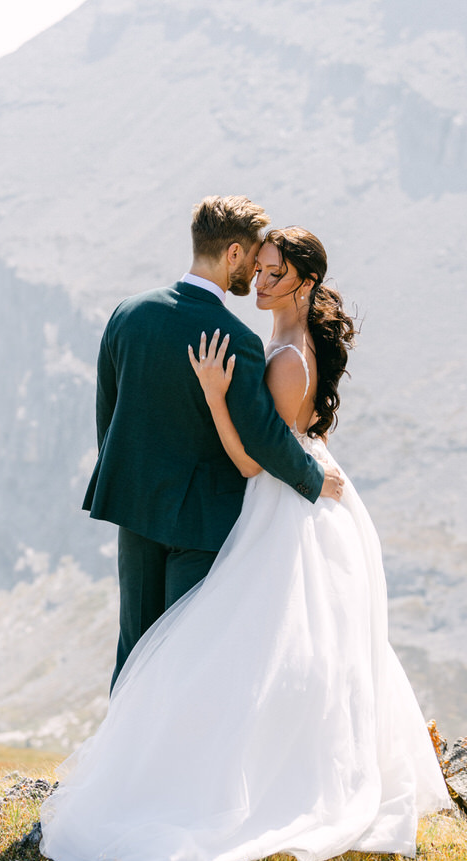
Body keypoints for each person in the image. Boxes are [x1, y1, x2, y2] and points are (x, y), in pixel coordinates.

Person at [40, 226, 451, 861]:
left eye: (274, 274)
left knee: (238, 644)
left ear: (305, 282)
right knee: (269, 644)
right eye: (259, 269)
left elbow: (252, 461)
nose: (259, 284)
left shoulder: (287, 359)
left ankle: (220, 780)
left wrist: (214, 396)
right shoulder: (280, 345)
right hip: (289, 498)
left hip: (284, 504)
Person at [81, 196, 343, 692]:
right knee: (186, 646)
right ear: (235, 254)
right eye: (254, 262)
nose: (256, 279)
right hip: (203, 521)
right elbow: (264, 435)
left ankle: (123, 760)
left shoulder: (127, 314)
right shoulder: (234, 337)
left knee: (133, 645)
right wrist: (312, 478)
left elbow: (108, 413)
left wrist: (126, 480)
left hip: (135, 509)